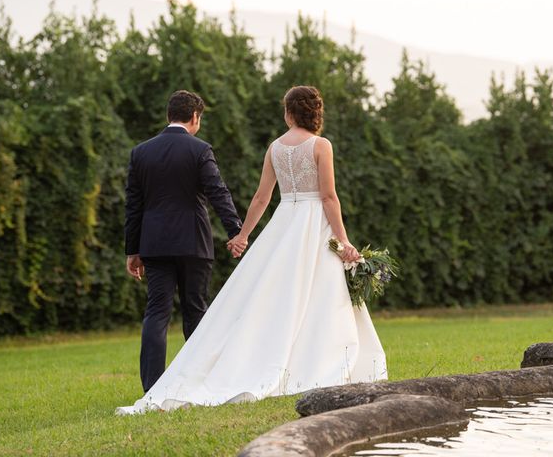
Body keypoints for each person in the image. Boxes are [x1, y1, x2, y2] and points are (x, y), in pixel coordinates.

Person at [116, 85, 387, 414]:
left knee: (262, 298)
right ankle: (310, 360)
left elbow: (261, 198)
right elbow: (328, 197)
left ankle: (167, 381)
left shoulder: (274, 147)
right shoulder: (320, 145)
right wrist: (344, 241)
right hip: (308, 225)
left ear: (288, 113)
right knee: (318, 294)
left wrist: (243, 235)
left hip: (279, 225)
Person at [124, 90, 244, 393]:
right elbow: (218, 193)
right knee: (195, 310)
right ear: (195, 117)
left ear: (168, 115)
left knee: (157, 312)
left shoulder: (141, 152)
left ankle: (152, 388)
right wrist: (236, 233)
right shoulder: (200, 149)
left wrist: (132, 250)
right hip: (193, 242)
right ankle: (197, 383)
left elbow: (133, 205)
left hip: (154, 244)